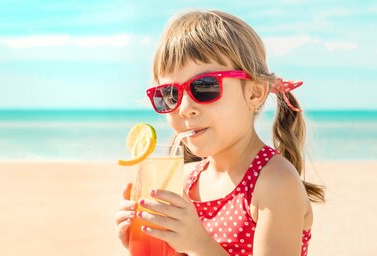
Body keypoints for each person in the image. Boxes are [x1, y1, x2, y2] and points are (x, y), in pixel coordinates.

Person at [115, 10, 325, 256]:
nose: (184, 109)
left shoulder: (274, 181)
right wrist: (148, 244)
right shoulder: (186, 181)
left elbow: (198, 247)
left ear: (254, 93)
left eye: (204, 87)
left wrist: (198, 243)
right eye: (170, 94)